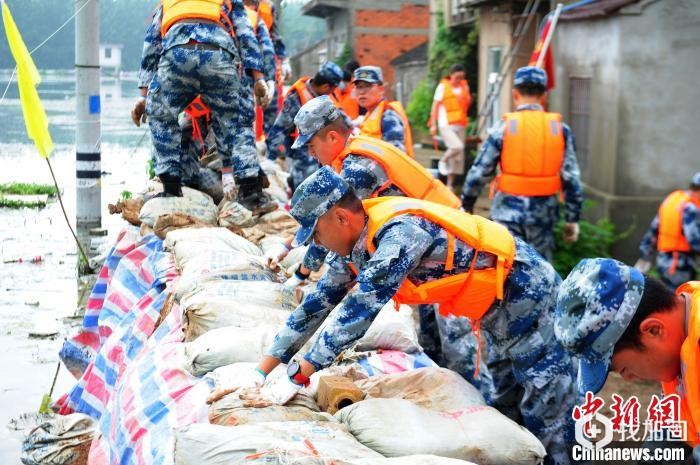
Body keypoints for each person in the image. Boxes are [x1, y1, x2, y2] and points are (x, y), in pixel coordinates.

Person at [223, 167, 576, 465]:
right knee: (504, 405)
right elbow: (316, 305)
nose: (317, 243)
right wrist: (260, 372)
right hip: (492, 312)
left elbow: (359, 309)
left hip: (527, 296)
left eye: (316, 233)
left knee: (549, 411)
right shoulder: (355, 242)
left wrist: (299, 375)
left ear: (340, 217)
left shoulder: (399, 234)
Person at [132, 0, 272, 210]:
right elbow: (245, 34)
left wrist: (144, 97)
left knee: (161, 116)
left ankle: (170, 187)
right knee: (238, 119)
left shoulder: (167, 3)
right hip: (219, 56)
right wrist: (259, 78)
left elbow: (151, 43)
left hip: (177, 54)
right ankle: (251, 193)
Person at [555, 257, 700, 455]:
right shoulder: (682, 339)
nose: (628, 378)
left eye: (623, 369)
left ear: (654, 330)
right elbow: (674, 430)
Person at [462, 66, 584, 260]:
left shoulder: (503, 128)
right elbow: (571, 177)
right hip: (543, 217)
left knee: (504, 267)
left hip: (506, 214)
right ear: (544, 95)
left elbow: (480, 172)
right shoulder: (560, 130)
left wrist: (467, 204)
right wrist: (572, 218)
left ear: (515, 94)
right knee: (540, 271)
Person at [265, 61, 344, 192]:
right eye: (333, 88)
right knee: (305, 193)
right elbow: (279, 128)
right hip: (305, 158)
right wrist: (269, 159)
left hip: (327, 156)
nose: (333, 91)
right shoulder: (296, 99)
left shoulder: (327, 96)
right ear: (325, 86)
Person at [635, 172, 700, 289]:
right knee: (681, 301)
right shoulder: (690, 208)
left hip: (664, 260)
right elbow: (694, 240)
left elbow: (653, 231)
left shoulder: (672, 200)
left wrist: (645, 255)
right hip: (679, 265)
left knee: (669, 298)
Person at [352, 66, 413, 156]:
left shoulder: (388, 117)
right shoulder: (369, 115)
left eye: (368, 86)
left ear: (381, 90)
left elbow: (395, 154)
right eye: (359, 87)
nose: (361, 92)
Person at [430, 64, 471, 189]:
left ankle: (450, 184)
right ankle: (443, 160)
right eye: (457, 77)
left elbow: (466, 104)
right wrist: (433, 124)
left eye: (462, 77)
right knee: (456, 146)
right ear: (451, 75)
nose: (459, 80)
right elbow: (435, 106)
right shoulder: (443, 87)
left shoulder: (464, 86)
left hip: (460, 123)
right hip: (446, 124)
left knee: (458, 158)